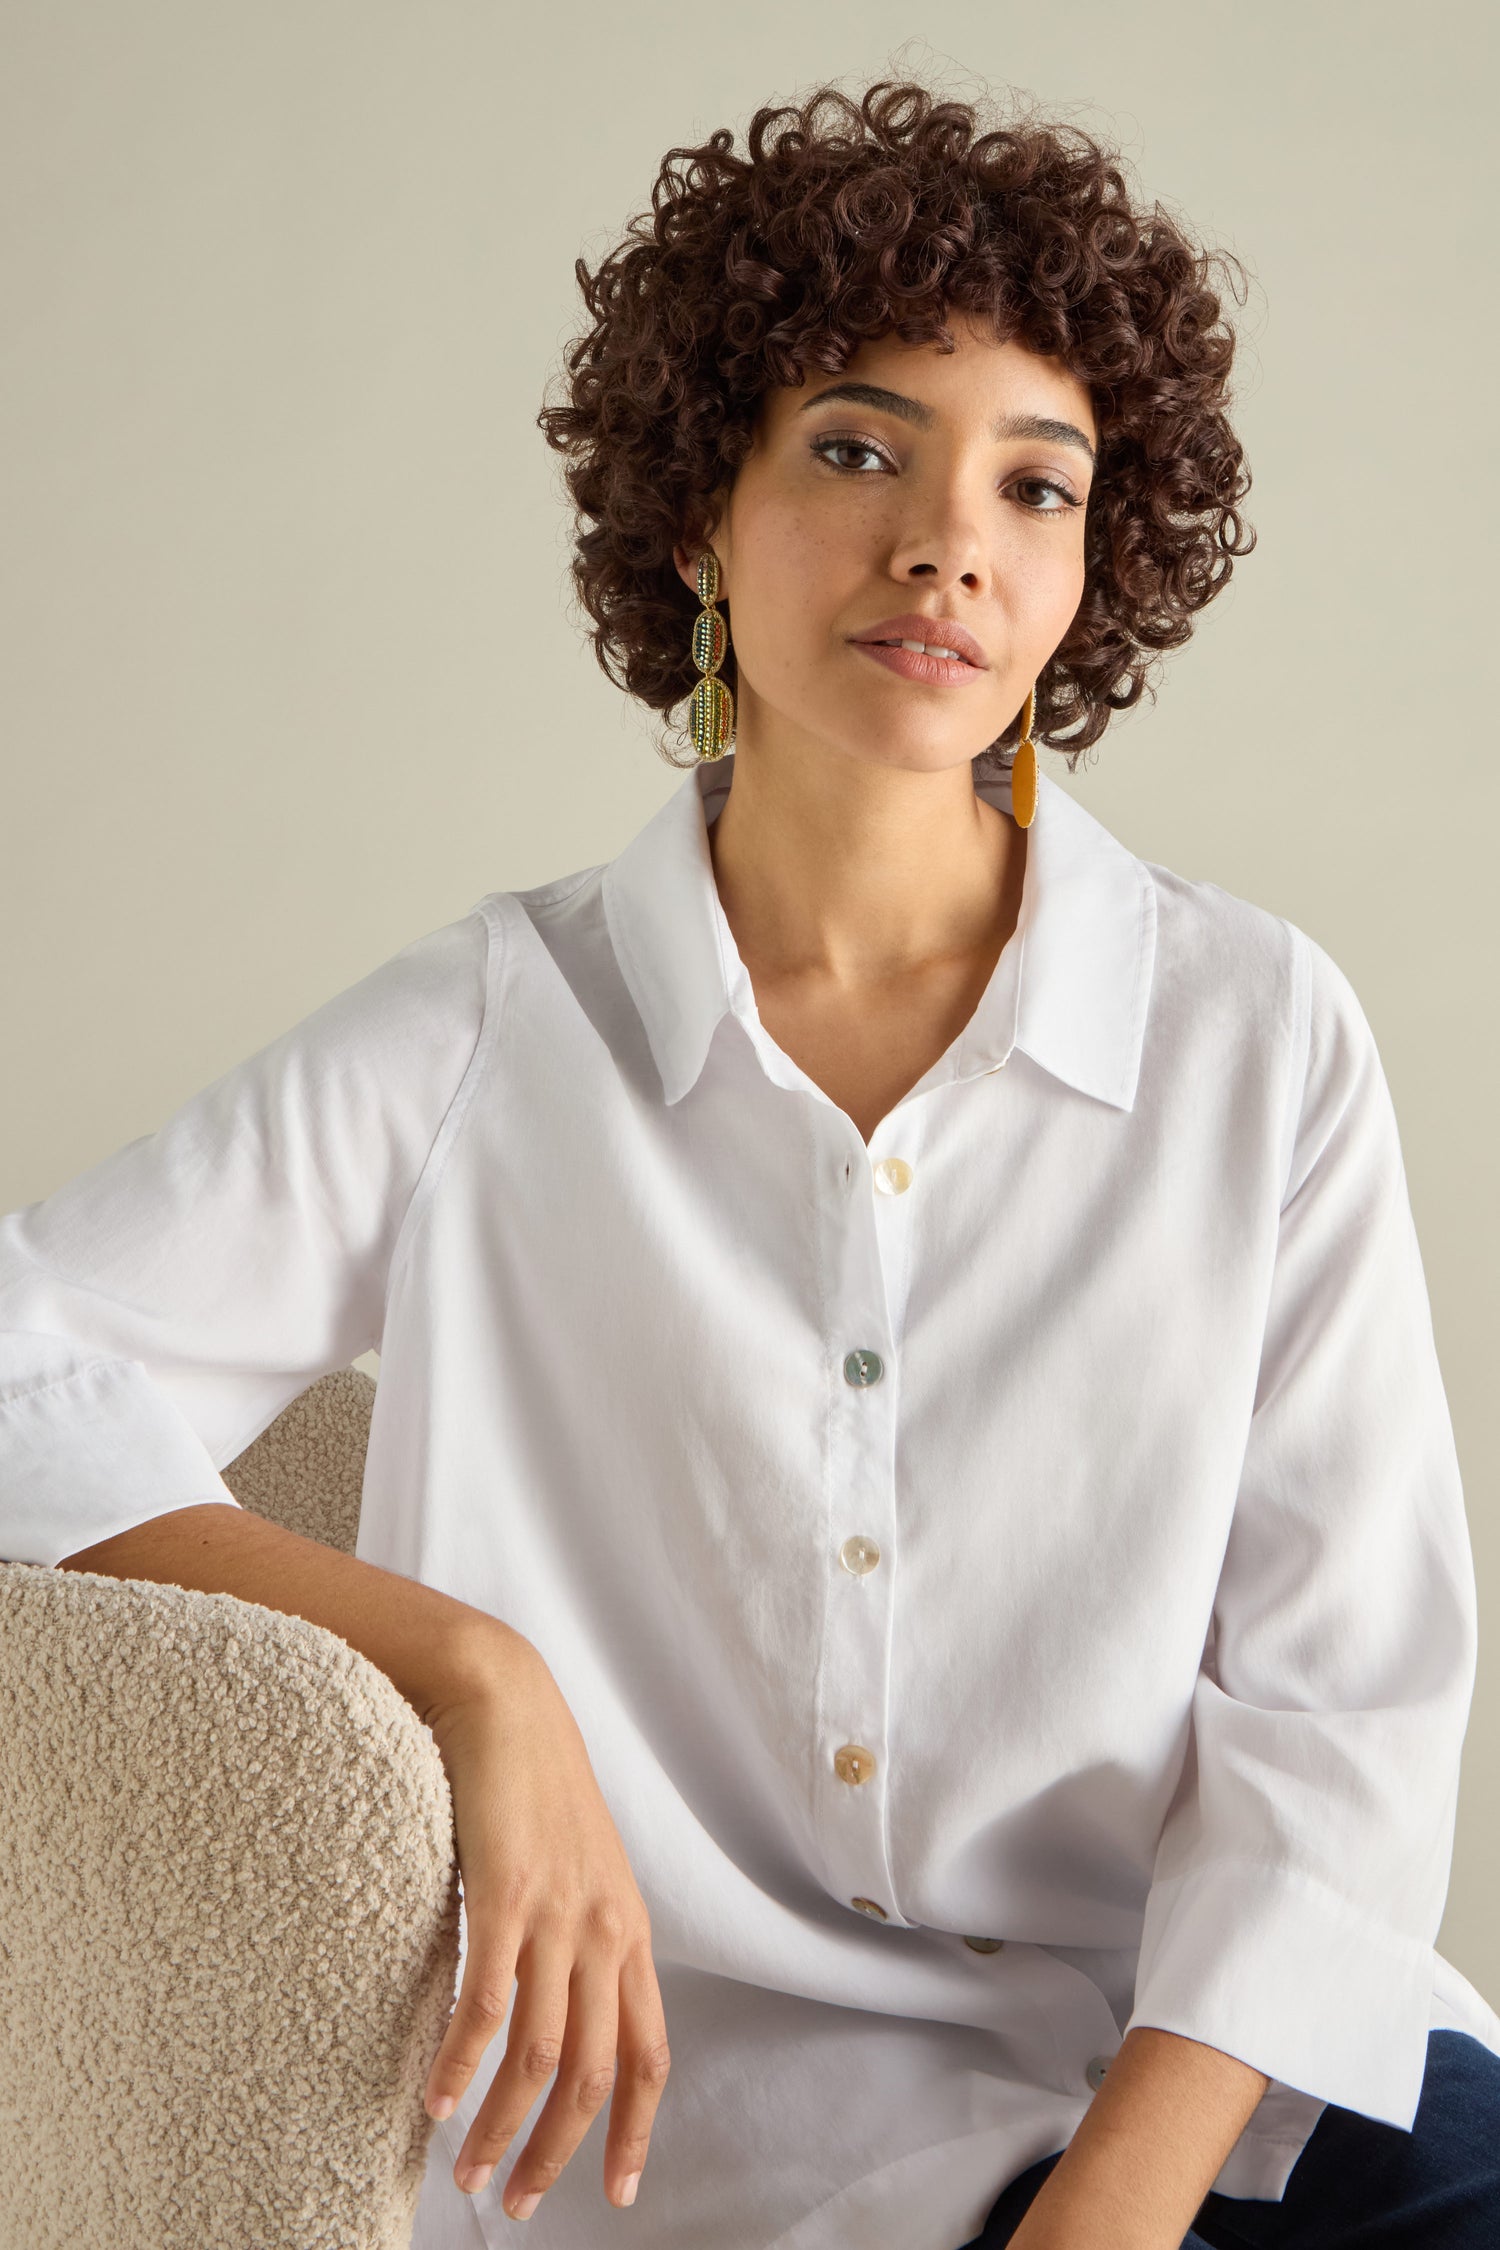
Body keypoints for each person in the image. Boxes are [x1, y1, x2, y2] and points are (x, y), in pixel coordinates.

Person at [2, 76, 1497, 2250]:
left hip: (1213, 2092)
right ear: (700, 510)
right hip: (739, 2154)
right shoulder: (493, 1034)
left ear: (1099, 563)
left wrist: (1112, 2218)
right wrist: (465, 1669)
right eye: (860, 447)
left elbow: (1339, 1721)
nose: (949, 544)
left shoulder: (1257, 1039)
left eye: (1038, 484)